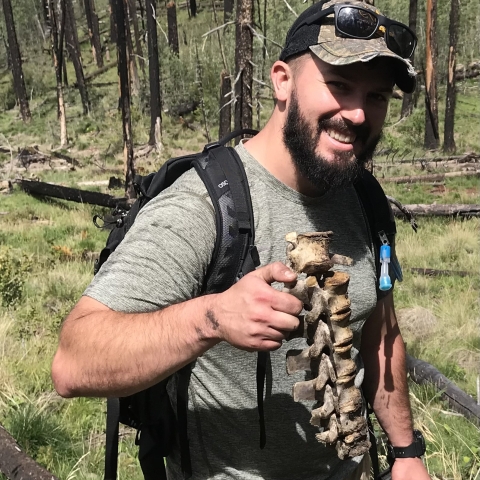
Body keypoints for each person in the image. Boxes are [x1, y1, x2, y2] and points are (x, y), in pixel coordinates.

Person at [52, 1, 431, 479]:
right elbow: (72, 360)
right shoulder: (207, 205)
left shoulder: (363, 197)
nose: (356, 114)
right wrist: (209, 318)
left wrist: (405, 451)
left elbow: (379, 331)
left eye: (376, 96)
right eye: (338, 85)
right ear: (282, 81)